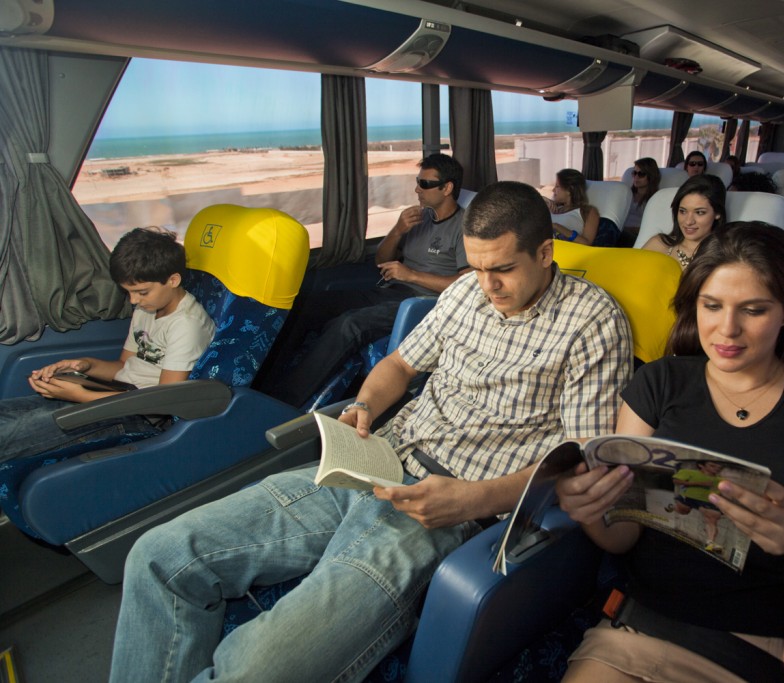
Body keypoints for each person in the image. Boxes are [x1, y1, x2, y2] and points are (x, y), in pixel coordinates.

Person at [109, 181, 634, 683]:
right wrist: (363, 406)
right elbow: (400, 366)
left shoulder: (592, 322)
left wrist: (471, 500)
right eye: (475, 269)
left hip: (444, 508)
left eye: (502, 270)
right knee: (161, 556)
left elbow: (577, 458)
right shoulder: (465, 295)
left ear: (545, 253)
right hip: (376, 462)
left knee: (260, 665)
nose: (487, 286)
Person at [557, 223, 784, 683]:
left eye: (753, 310)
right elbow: (624, 538)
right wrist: (592, 511)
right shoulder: (658, 384)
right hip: (645, 633)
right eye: (711, 306)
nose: (727, 329)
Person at [260, 154, 470, 407]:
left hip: (422, 303)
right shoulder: (419, 218)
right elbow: (381, 260)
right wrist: (398, 230)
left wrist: (411, 274)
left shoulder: (464, 226)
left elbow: (466, 285)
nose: (417, 189)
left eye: (424, 184)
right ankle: (263, 382)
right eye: (417, 181)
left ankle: (284, 402)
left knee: (350, 324)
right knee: (307, 305)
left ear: (447, 188)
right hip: (390, 290)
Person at [0, 227, 215, 464]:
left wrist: (81, 396)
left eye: (141, 292)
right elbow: (124, 365)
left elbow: (164, 403)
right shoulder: (147, 308)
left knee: (8, 436)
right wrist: (84, 366)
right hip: (116, 397)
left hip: (138, 416)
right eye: (128, 292)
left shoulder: (186, 325)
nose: (134, 301)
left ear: (173, 280)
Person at [642, 175, 726, 271]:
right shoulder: (659, 244)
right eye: (683, 211)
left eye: (699, 212)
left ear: (717, 213)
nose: (688, 221)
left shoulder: (724, 256)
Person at [545, 168, 601, 245]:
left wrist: (557, 226)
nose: (553, 190)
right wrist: (543, 199)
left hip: (563, 253)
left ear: (569, 190)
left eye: (557, 186)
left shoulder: (588, 211)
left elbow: (587, 243)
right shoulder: (552, 208)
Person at [623, 157, 661, 239]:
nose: (636, 177)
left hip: (637, 236)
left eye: (641, 174)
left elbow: (653, 227)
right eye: (634, 173)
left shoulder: (656, 199)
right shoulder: (626, 194)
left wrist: (626, 229)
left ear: (651, 176)